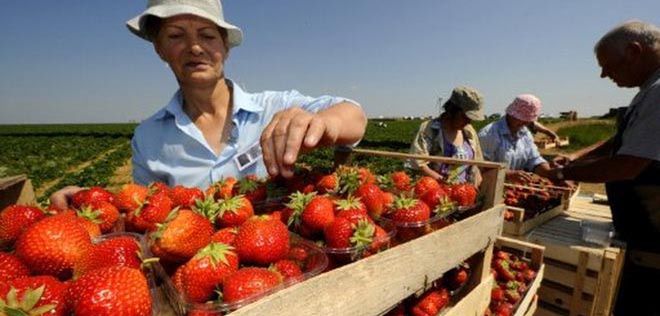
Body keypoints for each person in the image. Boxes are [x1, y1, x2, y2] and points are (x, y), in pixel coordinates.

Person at [51, 0, 366, 208]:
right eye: (176, 36)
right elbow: (147, 212)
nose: (195, 47)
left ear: (225, 48)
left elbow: (353, 115)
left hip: (281, 274)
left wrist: (325, 124)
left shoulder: (273, 107)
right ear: (159, 49)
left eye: (207, 35)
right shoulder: (149, 138)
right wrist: (93, 200)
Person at [546, 20, 660, 314]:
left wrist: (561, 173)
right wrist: (576, 158)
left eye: (608, 65)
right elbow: (622, 140)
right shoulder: (649, 90)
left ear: (634, 51)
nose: (603, 74)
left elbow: (628, 164)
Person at [408, 86, 485, 185]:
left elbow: (478, 163)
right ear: (452, 110)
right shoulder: (429, 129)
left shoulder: (469, 131)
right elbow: (418, 164)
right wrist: (445, 183)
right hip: (435, 193)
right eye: (464, 117)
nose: (468, 121)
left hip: (465, 193)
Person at [478, 94, 554, 183]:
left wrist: (550, 172)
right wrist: (508, 174)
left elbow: (533, 159)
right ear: (511, 114)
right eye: (522, 119)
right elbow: (480, 166)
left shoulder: (525, 134)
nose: (525, 123)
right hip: (490, 189)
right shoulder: (489, 134)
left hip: (514, 190)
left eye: (528, 120)